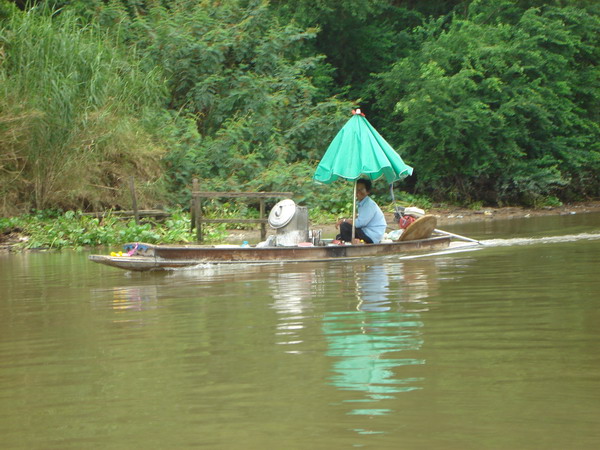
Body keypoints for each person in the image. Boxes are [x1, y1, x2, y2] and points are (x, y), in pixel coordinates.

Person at [335, 178, 387, 244]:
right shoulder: (362, 203)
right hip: (366, 231)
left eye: (361, 189)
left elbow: (359, 224)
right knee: (339, 236)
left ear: (367, 191)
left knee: (344, 225)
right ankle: (350, 241)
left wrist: (344, 220)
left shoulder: (369, 204)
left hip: (372, 236)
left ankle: (350, 245)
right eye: (356, 190)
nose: (358, 192)